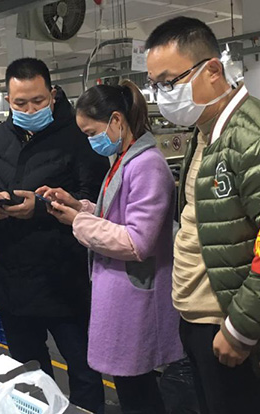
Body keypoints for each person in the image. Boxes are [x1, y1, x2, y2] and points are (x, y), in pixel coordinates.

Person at [145, 17, 260, 414]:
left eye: (169, 82)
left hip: (239, 331)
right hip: (205, 323)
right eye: (155, 85)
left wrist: (240, 331)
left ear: (213, 71)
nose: (162, 95)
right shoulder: (206, 134)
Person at [38, 80, 183, 414]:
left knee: (138, 390)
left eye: (92, 133)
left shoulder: (147, 165)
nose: (91, 141)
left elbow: (137, 241)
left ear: (116, 120)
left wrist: (78, 221)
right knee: (131, 384)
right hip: (120, 291)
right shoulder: (123, 160)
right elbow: (116, 215)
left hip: (136, 294)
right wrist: (78, 206)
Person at [0, 58, 109, 413]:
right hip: (13, 276)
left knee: (83, 369)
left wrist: (40, 207)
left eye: (38, 101)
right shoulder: (0, 136)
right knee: (29, 373)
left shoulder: (77, 135)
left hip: (65, 275)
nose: (30, 110)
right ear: (8, 99)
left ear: (52, 93)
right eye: (21, 103)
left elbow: (93, 199)